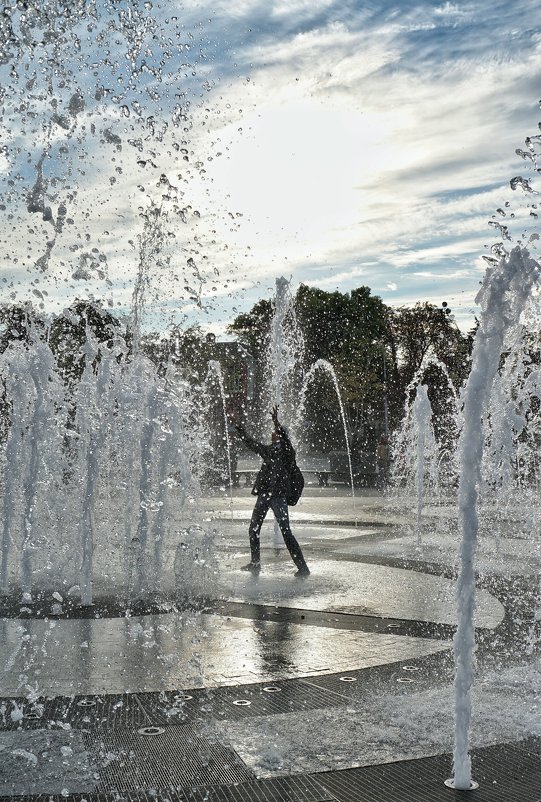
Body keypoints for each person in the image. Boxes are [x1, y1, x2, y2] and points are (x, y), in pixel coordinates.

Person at [231, 405, 310, 577]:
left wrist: (277, 423)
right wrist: (238, 426)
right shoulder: (268, 450)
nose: (273, 434)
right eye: (274, 431)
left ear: (282, 436)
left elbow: (286, 441)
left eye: (276, 432)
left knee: (285, 530)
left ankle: (302, 567)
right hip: (264, 494)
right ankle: (255, 562)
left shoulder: (288, 453)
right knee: (253, 528)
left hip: (278, 496)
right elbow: (250, 443)